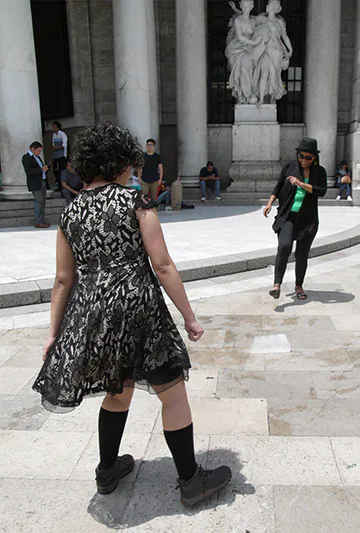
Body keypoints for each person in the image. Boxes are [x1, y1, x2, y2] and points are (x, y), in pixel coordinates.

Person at [31, 124, 231, 505]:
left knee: (117, 391)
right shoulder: (135, 202)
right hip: (138, 309)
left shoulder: (69, 213)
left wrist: (54, 333)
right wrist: (189, 317)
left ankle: (107, 471)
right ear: (121, 162)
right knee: (172, 395)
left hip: (93, 315)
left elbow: (62, 280)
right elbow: (163, 265)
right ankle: (190, 480)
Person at [263, 137, 327, 301]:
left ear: (314, 158)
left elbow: (321, 191)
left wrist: (301, 184)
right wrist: (269, 204)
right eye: (301, 156)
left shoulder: (320, 172)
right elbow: (277, 187)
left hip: (308, 219)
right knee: (284, 246)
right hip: (288, 216)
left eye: (308, 157)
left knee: (301, 254)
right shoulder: (289, 167)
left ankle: (299, 286)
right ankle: (276, 285)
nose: (304, 160)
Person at [22, 141, 50, 228]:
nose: (39, 152)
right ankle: (38, 221)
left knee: (43, 202)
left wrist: (45, 168)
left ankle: (41, 220)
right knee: (39, 201)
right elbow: (29, 171)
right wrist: (41, 169)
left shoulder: (37, 157)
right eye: (38, 150)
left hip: (42, 180)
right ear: (32, 149)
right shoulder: (27, 157)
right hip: (35, 183)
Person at [51, 121, 68, 192]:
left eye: (54, 126)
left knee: (61, 170)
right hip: (55, 155)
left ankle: (62, 184)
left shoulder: (62, 134)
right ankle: (58, 183)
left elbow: (64, 144)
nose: (53, 128)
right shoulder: (54, 135)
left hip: (61, 155)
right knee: (55, 169)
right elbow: (53, 143)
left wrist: (58, 147)